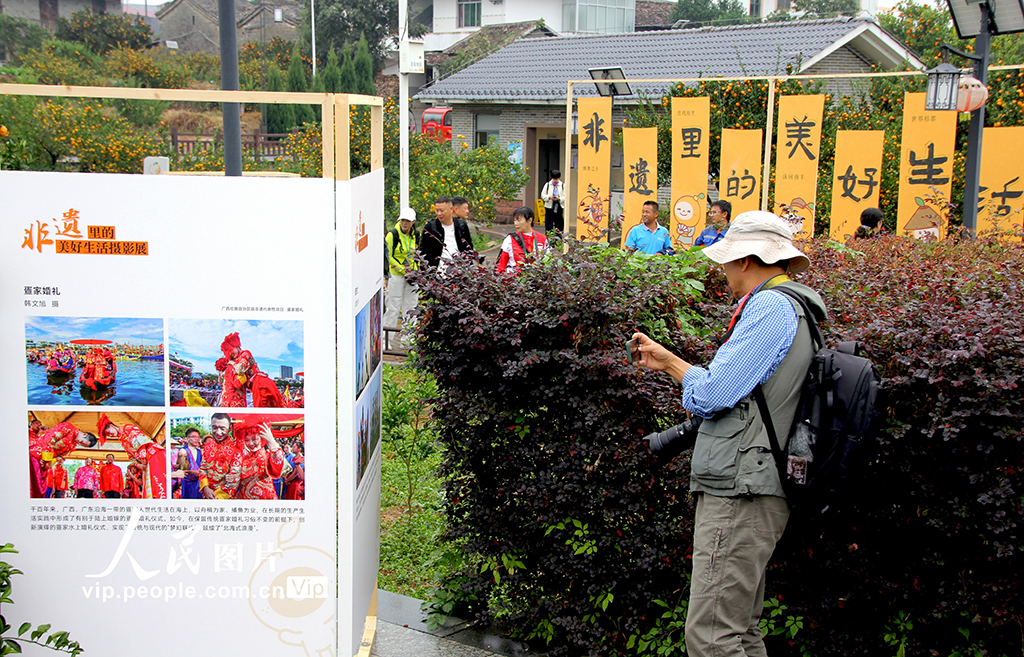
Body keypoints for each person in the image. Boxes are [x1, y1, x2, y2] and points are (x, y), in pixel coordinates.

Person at [631, 211, 827, 657]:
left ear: (746, 260)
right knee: (740, 632)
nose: (721, 272)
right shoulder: (797, 307)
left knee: (712, 637)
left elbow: (713, 393)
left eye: (726, 261)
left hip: (742, 489)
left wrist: (680, 370)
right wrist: (672, 363)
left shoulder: (771, 307)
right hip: (758, 484)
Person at [98, 413, 167, 499]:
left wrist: (143, 460)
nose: (111, 435)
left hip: (153, 454)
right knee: (151, 484)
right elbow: (132, 458)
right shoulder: (122, 441)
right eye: (108, 435)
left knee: (157, 481)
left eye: (109, 432)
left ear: (111, 425)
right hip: (145, 461)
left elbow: (141, 442)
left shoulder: (127, 428)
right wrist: (139, 465)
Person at [221, 333, 286, 408]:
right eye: (228, 352)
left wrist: (233, 364)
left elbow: (241, 370)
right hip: (257, 384)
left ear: (236, 346)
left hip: (260, 383)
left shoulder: (245, 353)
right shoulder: (239, 358)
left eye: (230, 350)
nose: (230, 353)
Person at [384, 207, 421, 331]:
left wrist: (415, 271)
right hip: (396, 275)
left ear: (413, 222)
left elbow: (417, 254)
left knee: (411, 308)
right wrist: (402, 270)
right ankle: (386, 342)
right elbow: (388, 256)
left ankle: (409, 341)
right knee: (393, 307)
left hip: (412, 276)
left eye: (408, 221)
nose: (404, 223)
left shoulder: (416, 235)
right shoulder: (392, 235)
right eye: (402, 220)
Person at [232, 421, 287, 500]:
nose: (250, 443)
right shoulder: (242, 459)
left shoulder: (267, 456)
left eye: (254, 439)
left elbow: (277, 464)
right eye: (247, 440)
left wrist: (271, 441)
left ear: (261, 438)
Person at [420, 196, 474, 272]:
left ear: (451, 209)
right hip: (437, 275)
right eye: (436, 210)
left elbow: (469, 249)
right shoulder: (431, 227)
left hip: (459, 275)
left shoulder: (461, 226)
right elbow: (423, 253)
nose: (439, 214)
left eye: (442, 210)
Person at [200, 413, 241, 499]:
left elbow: (235, 478)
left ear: (230, 428)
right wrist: (206, 488)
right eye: (214, 428)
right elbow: (203, 469)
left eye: (222, 429)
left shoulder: (236, 448)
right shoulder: (208, 446)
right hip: (206, 494)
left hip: (225, 497)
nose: (218, 433)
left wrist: (217, 497)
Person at [496, 207, 548, 274]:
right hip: (515, 281)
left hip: (536, 280)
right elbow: (500, 265)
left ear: (530, 220)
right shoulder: (510, 239)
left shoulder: (542, 239)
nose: (516, 223)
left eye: (519, 220)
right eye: (515, 220)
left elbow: (548, 263)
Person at [179, 427, 204, 499]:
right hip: (188, 484)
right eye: (194, 437)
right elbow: (181, 469)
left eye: (198, 437)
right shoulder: (183, 451)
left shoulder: (199, 452)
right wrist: (192, 472)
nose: (196, 439)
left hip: (198, 482)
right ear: (187, 438)